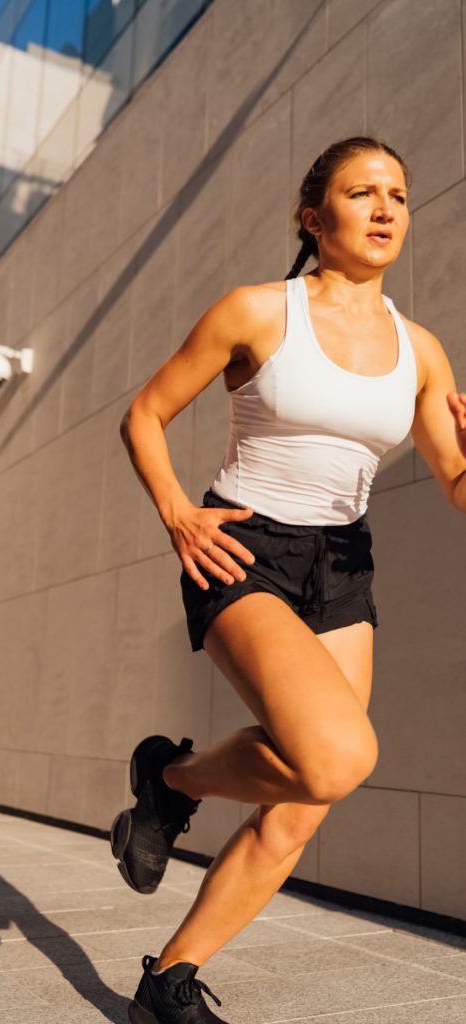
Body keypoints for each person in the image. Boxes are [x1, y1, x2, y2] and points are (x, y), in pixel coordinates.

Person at [110, 136, 466, 1024]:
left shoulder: (420, 350)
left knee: (308, 800)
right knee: (337, 756)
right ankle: (176, 782)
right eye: (360, 192)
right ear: (315, 217)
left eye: (397, 193)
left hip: (341, 564)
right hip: (244, 547)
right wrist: (174, 513)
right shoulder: (258, 312)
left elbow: (457, 486)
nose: (385, 208)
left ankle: (167, 979)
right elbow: (145, 414)